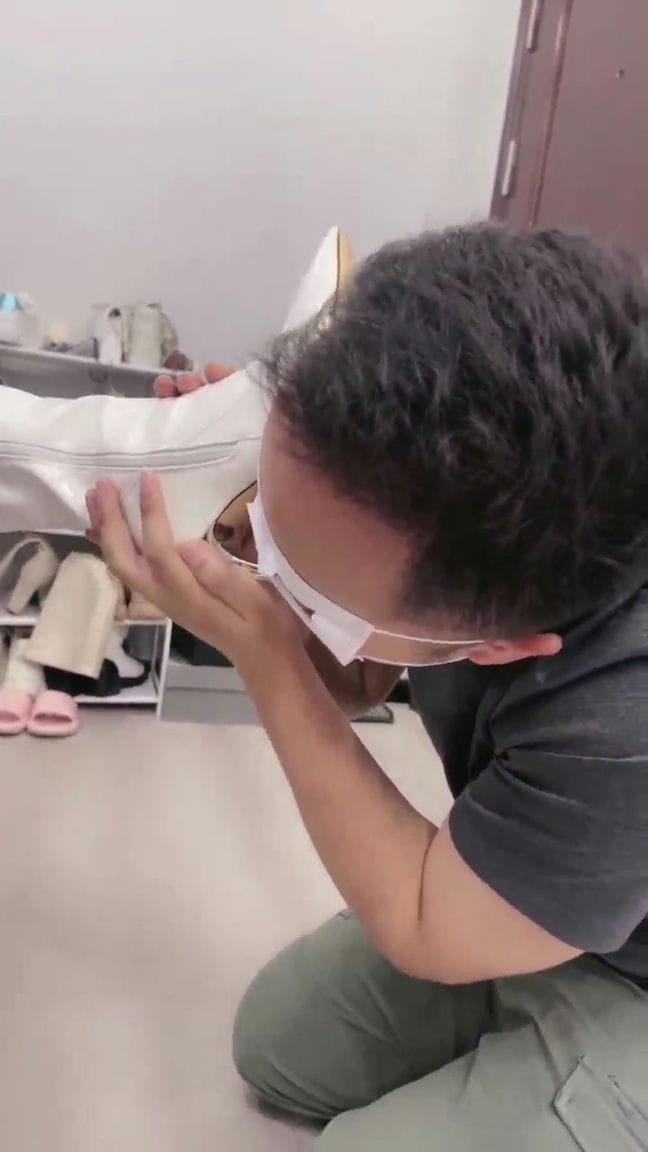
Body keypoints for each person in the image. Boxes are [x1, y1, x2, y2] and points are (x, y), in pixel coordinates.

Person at [86, 224, 648, 1150]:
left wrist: (268, 656)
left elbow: (427, 927)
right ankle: (537, 954)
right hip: (565, 892)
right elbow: (360, 678)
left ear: (504, 646)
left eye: (308, 588)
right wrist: (244, 496)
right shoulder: (481, 452)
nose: (265, 560)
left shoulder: (623, 715)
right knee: (279, 1048)